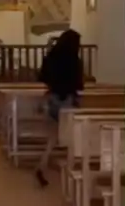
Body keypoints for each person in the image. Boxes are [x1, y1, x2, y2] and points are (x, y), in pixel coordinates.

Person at [34, 29, 85, 188]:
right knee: (70, 138)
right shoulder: (74, 59)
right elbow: (78, 83)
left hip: (52, 99)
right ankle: (71, 174)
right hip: (68, 101)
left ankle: (42, 165)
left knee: (54, 137)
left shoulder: (52, 56)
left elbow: (42, 77)